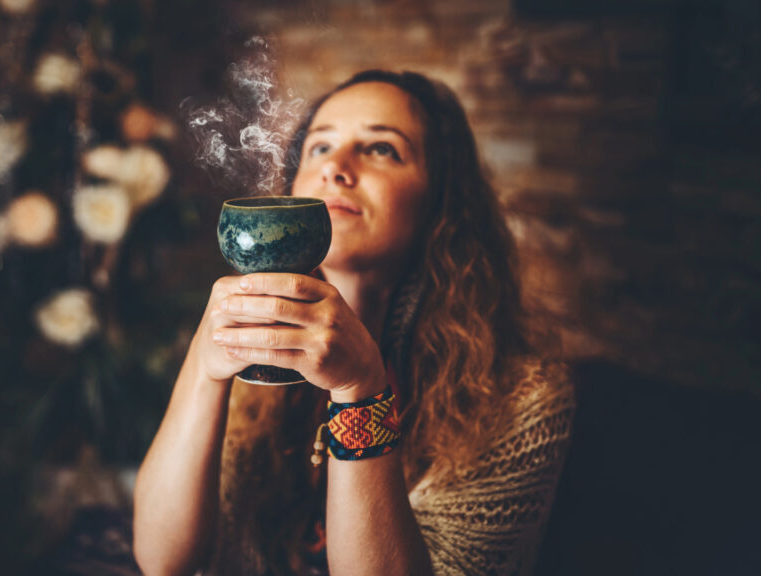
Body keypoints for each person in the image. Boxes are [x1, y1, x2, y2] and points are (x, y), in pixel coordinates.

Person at [133, 70, 575, 576]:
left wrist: (360, 389)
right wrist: (207, 358)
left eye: (382, 149)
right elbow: (161, 559)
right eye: (320, 147)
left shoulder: (525, 398)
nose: (336, 168)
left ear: (440, 198)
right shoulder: (256, 370)